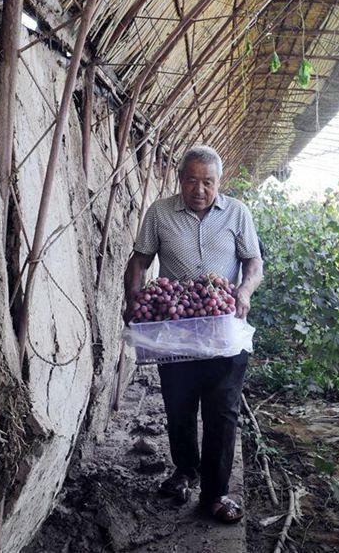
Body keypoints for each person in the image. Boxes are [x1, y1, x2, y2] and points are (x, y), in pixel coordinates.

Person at [123, 145, 263, 523]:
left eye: (208, 182)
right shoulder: (160, 214)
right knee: (179, 407)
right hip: (178, 333)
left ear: (219, 182)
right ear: (179, 179)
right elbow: (139, 260)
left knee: (223, 411)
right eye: (191, 180)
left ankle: (215, 494)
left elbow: (253, 261)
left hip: (223, 330)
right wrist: (134, 302)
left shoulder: (237, 213)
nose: (199, 189)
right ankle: (185, 471)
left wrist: (244, 292)